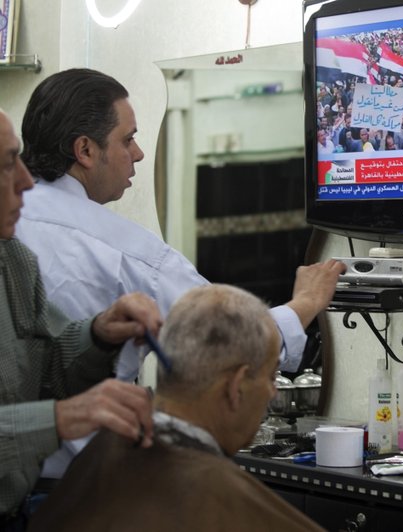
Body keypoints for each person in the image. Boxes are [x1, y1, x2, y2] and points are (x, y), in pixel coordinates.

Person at [15, 68, 346, 478]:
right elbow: (228, 340)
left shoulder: (16, 225)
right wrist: (306, 303)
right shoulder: (124, 251)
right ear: (84, 150)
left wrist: (97, 334)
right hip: (78, 483)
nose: (137, 153)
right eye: (128, 138)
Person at [27, 284, 325, 532]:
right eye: (271, 376)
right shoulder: (214, 497)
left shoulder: (103, 453)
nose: (272, 391)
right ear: (235, 386)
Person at [0, 109, 162, 527]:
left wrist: (100, 335)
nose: (25, 181)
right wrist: (61, 419)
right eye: (5, 164)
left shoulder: (12, 261)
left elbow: (48, 369)